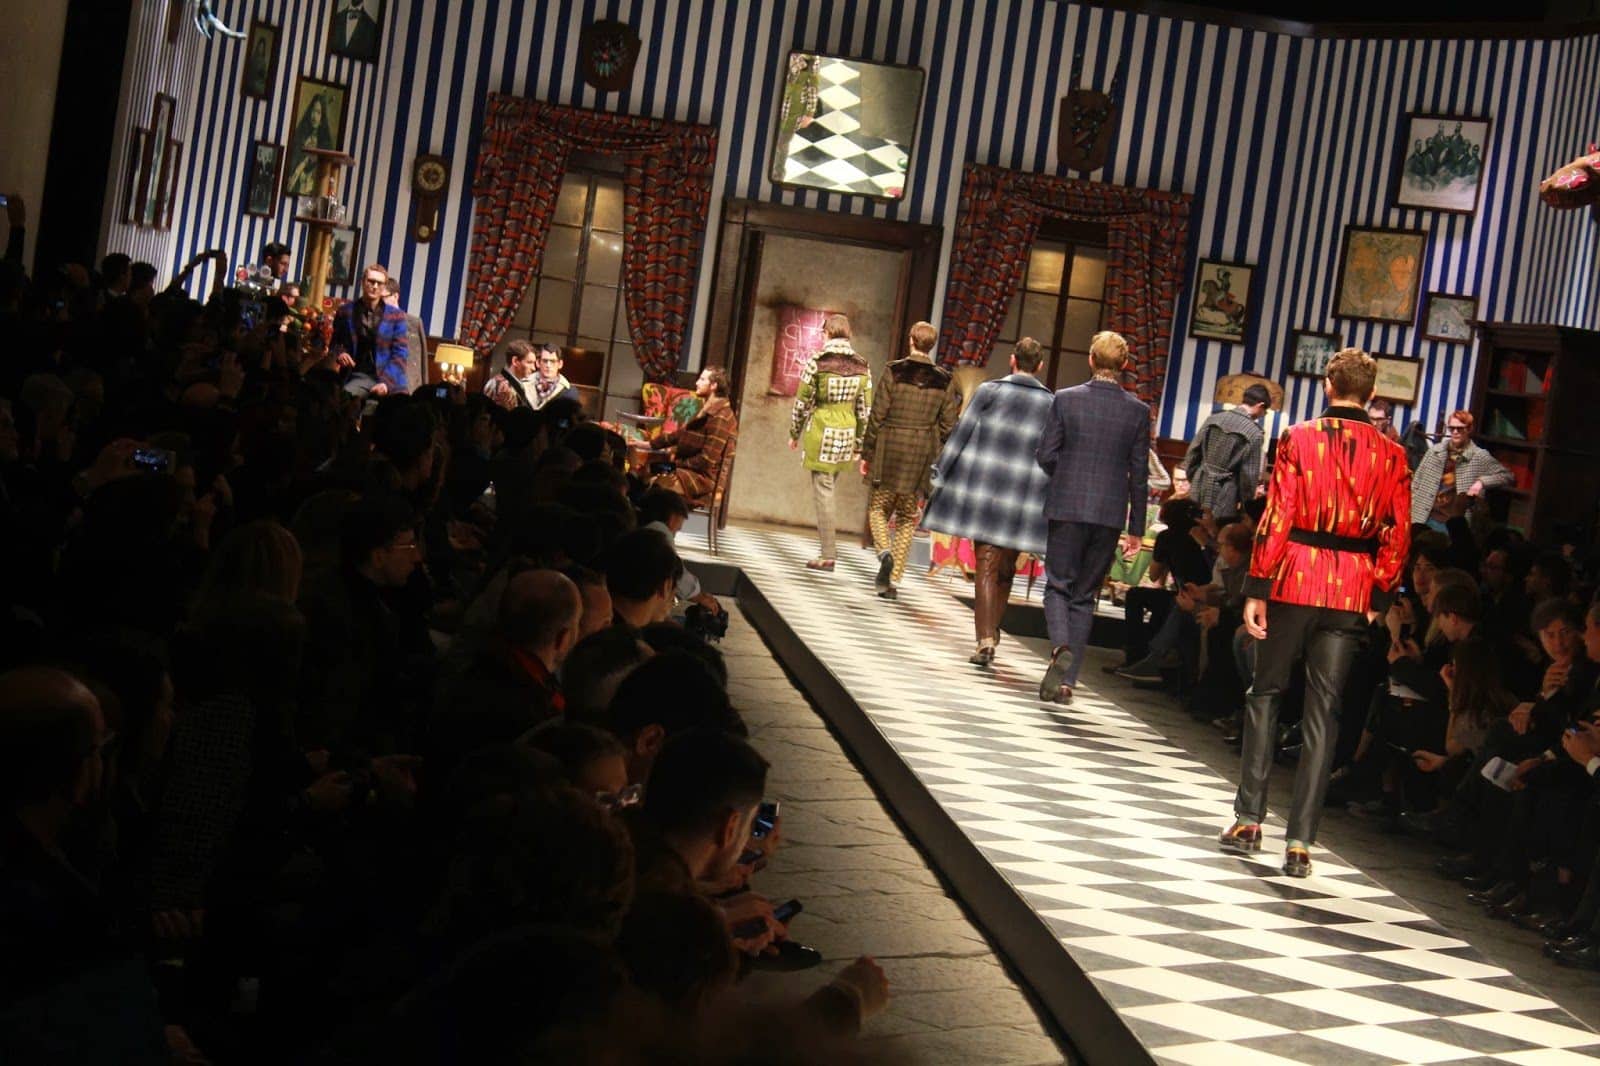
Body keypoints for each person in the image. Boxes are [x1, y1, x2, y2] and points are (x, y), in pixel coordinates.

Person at [1221, 348, 1412, 878]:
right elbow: (1398, 532)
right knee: (1324, 713)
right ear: (1372, 393)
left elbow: (1278, 513)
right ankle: (1301, 842)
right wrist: (1378, 598)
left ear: (1329, 384)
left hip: (1296, 575)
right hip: (1351, 587)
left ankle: (1250, 820)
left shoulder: (1299, 437)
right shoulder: (1392, 455)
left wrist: (1258, 586)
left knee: (1266, 692)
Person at [922, 337, 1054, 665]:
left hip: (986, 490)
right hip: (1024, 497)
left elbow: (961, 434)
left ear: (1012, 360)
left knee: (987, 562)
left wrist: (940, 472)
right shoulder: (1052, 403)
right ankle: (990, 632)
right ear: (1040, 366)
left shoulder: (990, 391)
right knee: (1007, 567)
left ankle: (985, 639)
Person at [1035, 331, 1150, 705]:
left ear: (1090, 359)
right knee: (1085, 596)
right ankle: (1068, 682)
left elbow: (1045, 454)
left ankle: (1060, 648)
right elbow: (1140, 474)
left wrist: (1066, 475)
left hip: (1067, 505)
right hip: (1109, 513)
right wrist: (1136, 529)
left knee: (1058, 585)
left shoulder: (1066, 399)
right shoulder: (1138, 411)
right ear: (1124, 364)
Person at [859, 321, 958, 600]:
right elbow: (949, 425)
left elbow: (877, 415)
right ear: (931, 345)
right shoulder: (944, 380)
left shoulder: (894, 371)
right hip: (920, 455)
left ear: (911, 340)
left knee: (877, 508)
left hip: (889, 449)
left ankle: (884, 553)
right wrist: (935, 450)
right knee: (906, 516)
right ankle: (892, 580)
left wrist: (867, 453)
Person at [788, 314, 871, 572]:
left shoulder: (818, 362)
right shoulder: (862, 365)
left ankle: (828, 554)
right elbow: (864, 410)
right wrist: (859, 444)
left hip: (822, 430)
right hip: (846, 433)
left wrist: (794, 432)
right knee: (828, 488)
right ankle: (827, 551)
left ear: (827, 333)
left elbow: (802, 402)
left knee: (824, 493)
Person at [645, 367, 738, 510]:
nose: (696, 383)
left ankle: (660, 521)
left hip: (704, 480)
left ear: (713, 386)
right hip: (690, 470)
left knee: (657, 486)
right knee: (646, 473)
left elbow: (706, 460)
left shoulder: (720, 417)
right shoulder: (708, 410)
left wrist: (675, 464)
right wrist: (649, 444)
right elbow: (680, 434)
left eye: (702, 379)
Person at [1410, 410, 1512, 531]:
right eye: (1452, 428)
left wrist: (1481, 482)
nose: (1455, 432)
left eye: (1460, 428)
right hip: (1422, 516)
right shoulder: (1435, 451)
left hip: (1451, 523)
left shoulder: (1478, 456)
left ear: (1469, 429)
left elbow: (1507, 475)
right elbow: (1417, 481)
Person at [1182, 383, 1268, 522]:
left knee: (1191, 525)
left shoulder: (1213, 419)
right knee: (1218, 530)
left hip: (1200, 482)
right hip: (1227, 492)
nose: (1263, 415)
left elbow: (1192, 453)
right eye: (1265, 411)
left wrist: (1196, 477)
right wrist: (1246, 505)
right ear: (1260, 405)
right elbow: (1249, 475)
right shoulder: (1254, 433)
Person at [329, 263, 410, 397]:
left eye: (379, 283)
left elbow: (400, 354)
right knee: (345, 398)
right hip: (359, 375)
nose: (375, 286)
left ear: (384, 287)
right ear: (362, 282)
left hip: (391, 379)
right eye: (371, 281)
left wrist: (386, 383)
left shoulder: (396, 316)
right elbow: (335, 344)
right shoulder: (346, 311)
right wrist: (341, 353)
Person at [382, 276, 428, 390]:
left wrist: (424, 389)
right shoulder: (374, 322)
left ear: (395, 296)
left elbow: (422, 362)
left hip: (410, 387)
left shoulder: (414, 323)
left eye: (383, 297)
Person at [483, 339, 538, 411]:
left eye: (534, 363)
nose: (533, 368)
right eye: (529, 362)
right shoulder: (503, 386)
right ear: (515, 361)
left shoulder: (504, 382)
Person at [528, 343, 582, 411]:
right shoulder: (523, 385)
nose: (548, 365)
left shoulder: (569, 392)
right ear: (538, 363)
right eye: (545, 361)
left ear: (560, 364)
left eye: (553, 361)